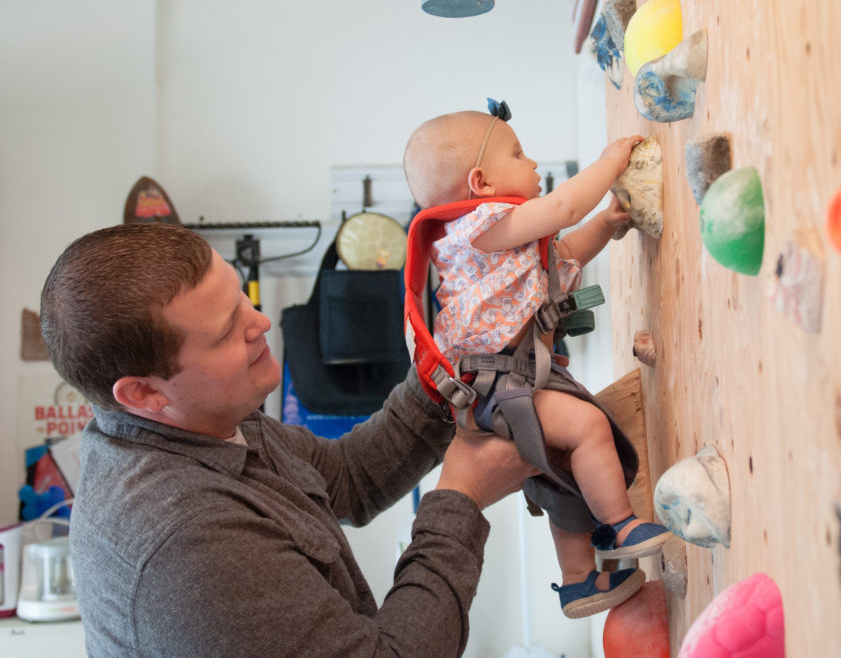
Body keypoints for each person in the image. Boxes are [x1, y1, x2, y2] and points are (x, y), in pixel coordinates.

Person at [39, 223, 537, 657]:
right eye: (225, 331)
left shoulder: (207, 419)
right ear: (144, 392)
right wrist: (460, 498)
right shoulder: (188, 545)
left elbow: (348, 475)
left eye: (239, 296)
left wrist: (444, 368)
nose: (258, 322)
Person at [402, 100, 672, 619]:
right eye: (518, 152)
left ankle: (577, 582)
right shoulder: (478, 228)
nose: (532, 163)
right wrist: (608, 164)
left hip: (510, 386)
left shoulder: (502, 245)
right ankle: (621, 523)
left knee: (561, 477)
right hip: (499, 389)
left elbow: (565, 252)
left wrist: (609, 222)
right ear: (480, 183)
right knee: (590, 428)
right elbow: (564, 210)